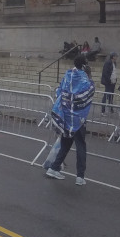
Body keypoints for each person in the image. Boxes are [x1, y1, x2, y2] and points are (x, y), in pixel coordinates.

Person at [44, 54, 94, 185]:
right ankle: (80, 176)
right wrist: (90, 78)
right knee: (80, 146)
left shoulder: (68, 75)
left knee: (65, 143)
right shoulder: (85, 79)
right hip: (78, 119)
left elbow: (59, 91)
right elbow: (88, 94)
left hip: (66, 117)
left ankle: (54, 168)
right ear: (84, 65)